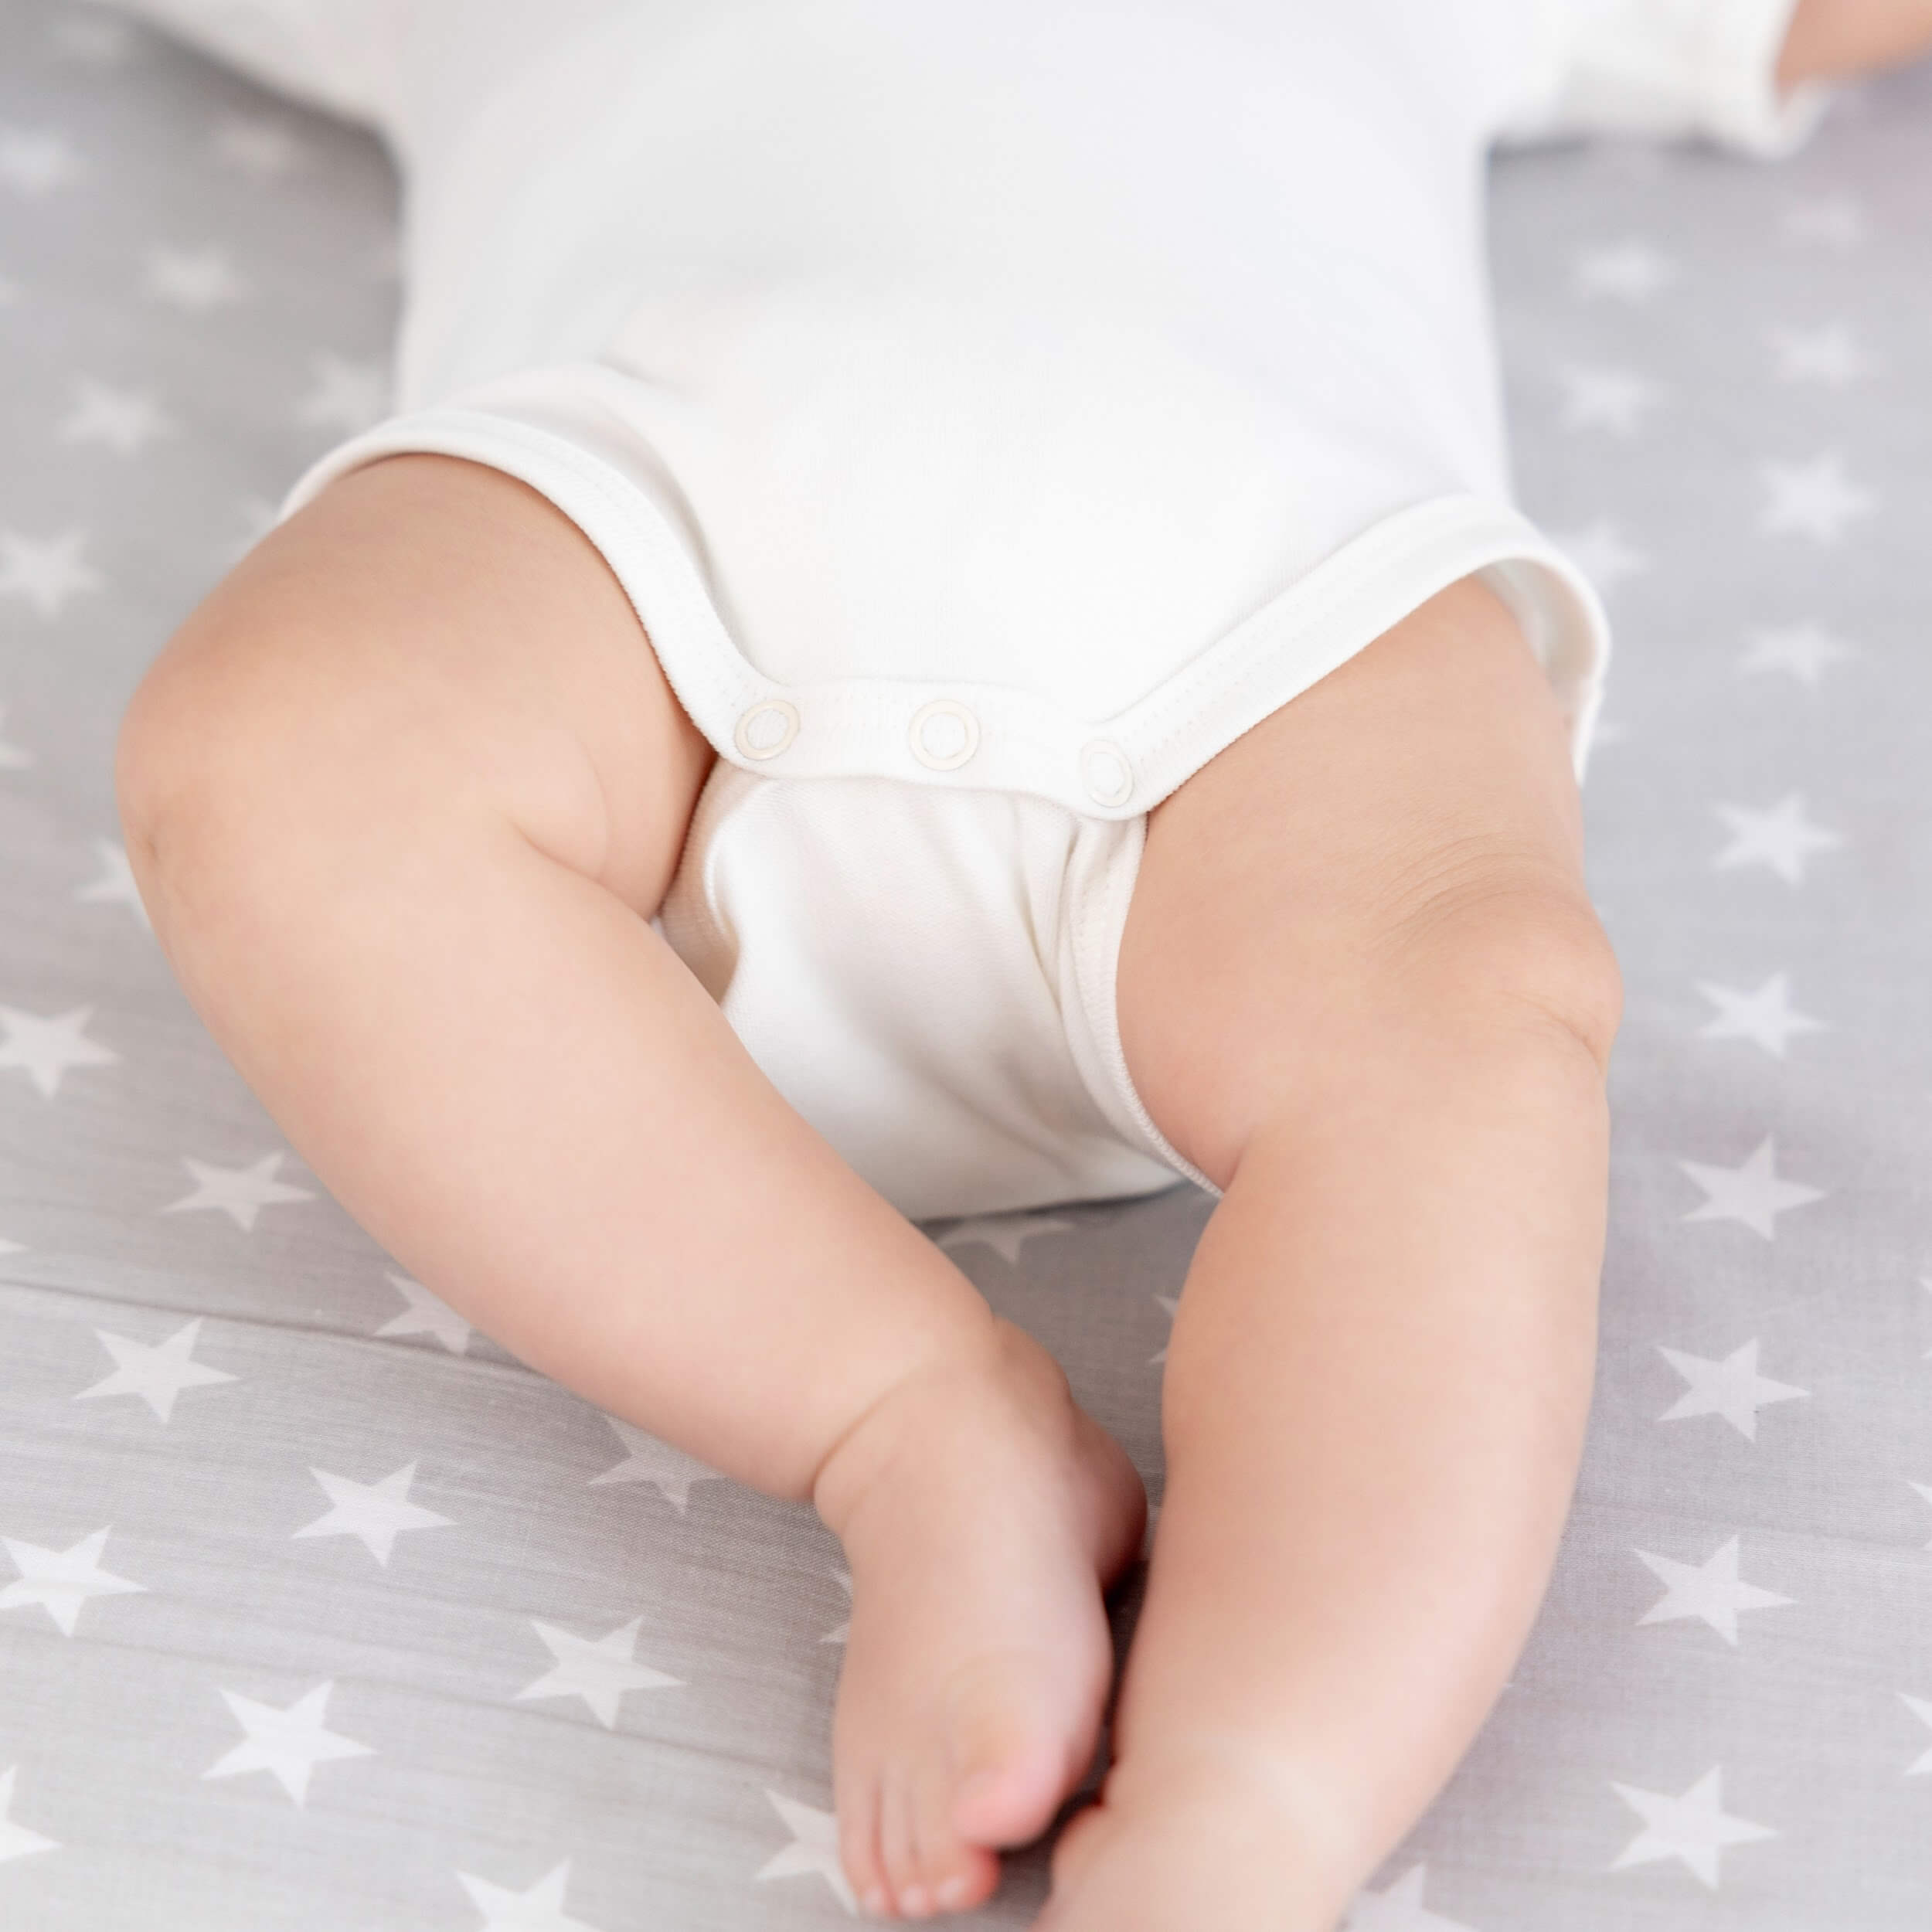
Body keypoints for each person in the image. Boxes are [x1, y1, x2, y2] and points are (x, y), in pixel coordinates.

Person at [107, 0, 1932, 1922]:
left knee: (1467, 1028)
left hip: (1272, 637)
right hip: (633, 573)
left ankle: (1251, 1791)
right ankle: (906, 1414)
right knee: (276, 755)